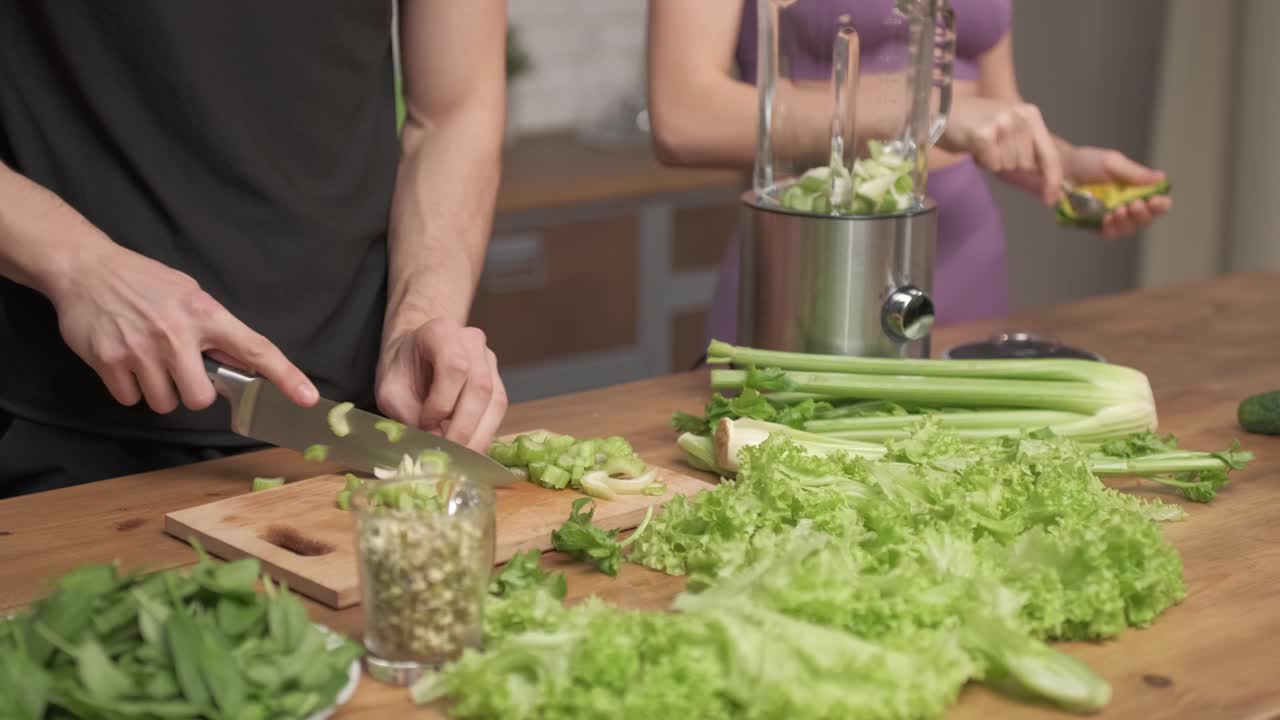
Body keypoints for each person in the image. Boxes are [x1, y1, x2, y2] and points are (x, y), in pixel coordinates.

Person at [0, 1, 509, 497]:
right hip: (62, 416)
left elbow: (454, 112)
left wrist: (418, 320)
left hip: (353, 424)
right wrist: (79, 268)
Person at [646, 0, 1172, 342]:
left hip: (966, 267)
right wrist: (926, 115)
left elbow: (988, 103)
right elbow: (684, 117)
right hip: (814, 271)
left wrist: (1067, 168)